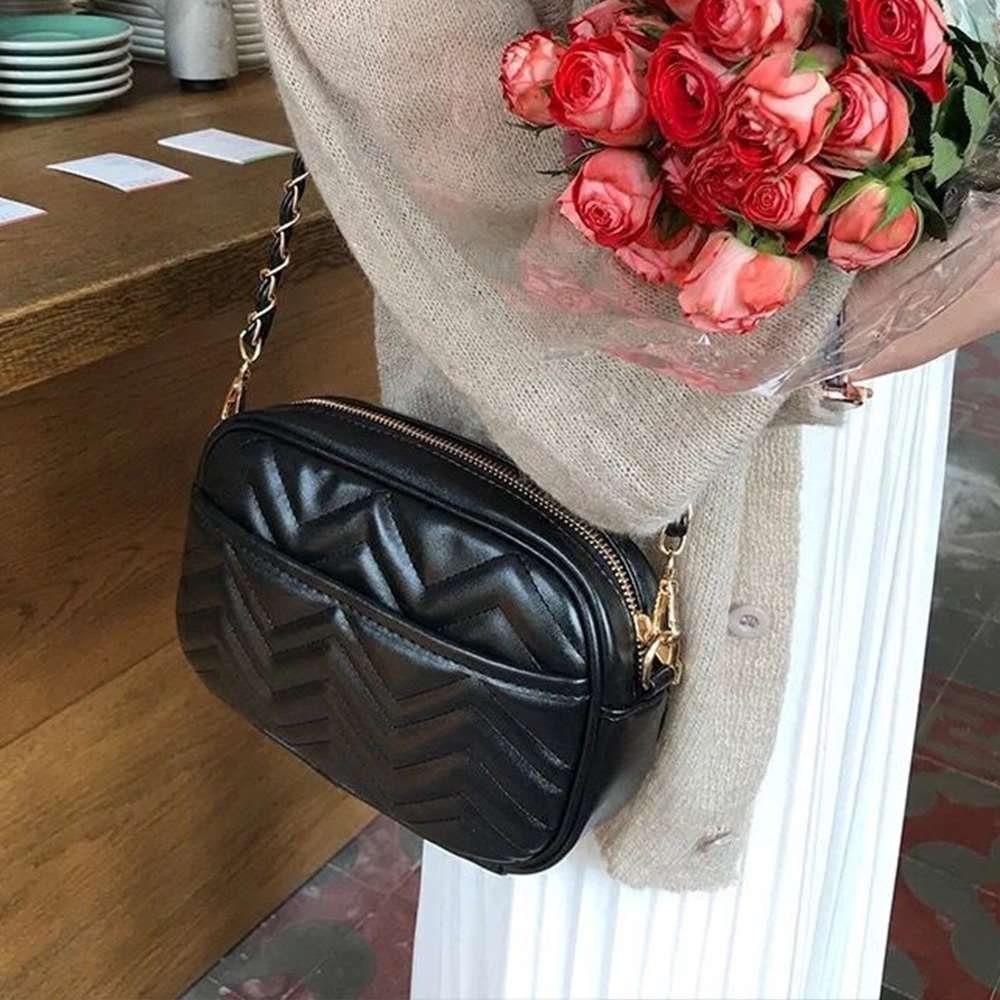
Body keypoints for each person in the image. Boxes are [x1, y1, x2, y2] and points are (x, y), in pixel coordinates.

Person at [258, 2, 999, 996]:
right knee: (598, 934)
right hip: (614, 501)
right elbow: (401, 62)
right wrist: (820, 326)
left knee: (810, 883)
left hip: (842, 439)